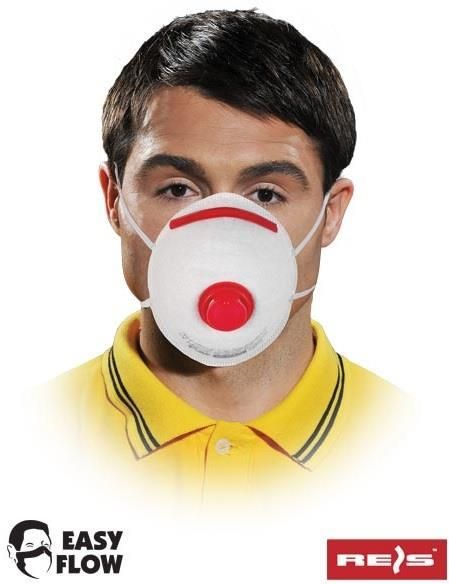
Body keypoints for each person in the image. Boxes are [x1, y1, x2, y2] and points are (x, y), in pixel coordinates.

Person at [38, 8, 408, 506]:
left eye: (266, 194)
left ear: (332, 213)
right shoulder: (27, 439)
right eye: (178, 188)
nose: (221, 235)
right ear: (114, 200)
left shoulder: (416, 448)